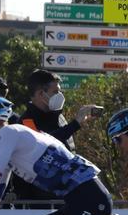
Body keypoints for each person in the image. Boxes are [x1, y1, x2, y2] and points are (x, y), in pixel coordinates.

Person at [11, 70, 102, 201]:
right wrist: (75, 123)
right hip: (39, 199)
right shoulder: (26, 121)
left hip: (65, 193)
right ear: (41, 94)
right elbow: (44, 146)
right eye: (55, 92)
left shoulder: (58, 116)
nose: (60, 95)